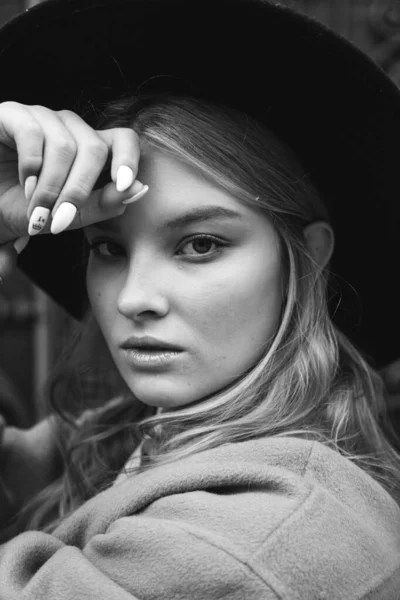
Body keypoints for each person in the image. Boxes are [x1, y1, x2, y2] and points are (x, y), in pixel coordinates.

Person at [0, 0, 399, 597]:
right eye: (108, 249)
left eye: (201, 244)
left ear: (309, 260)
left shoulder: (256, 538)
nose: (135, 298)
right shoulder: (124, 440)